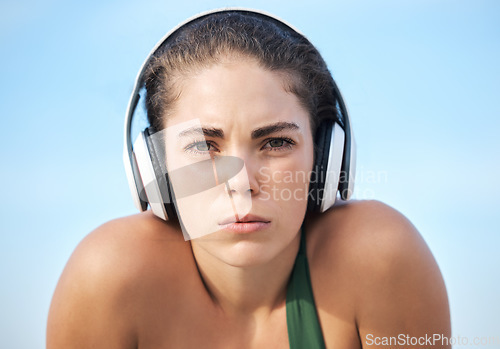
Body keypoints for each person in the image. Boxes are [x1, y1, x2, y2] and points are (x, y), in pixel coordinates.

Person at [47, 9, 451, 349]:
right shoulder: (109, 277)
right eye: (203, 147)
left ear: (327, 158)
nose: (241, 183)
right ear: (153, 168)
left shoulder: (380, 256)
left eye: (276, 142)